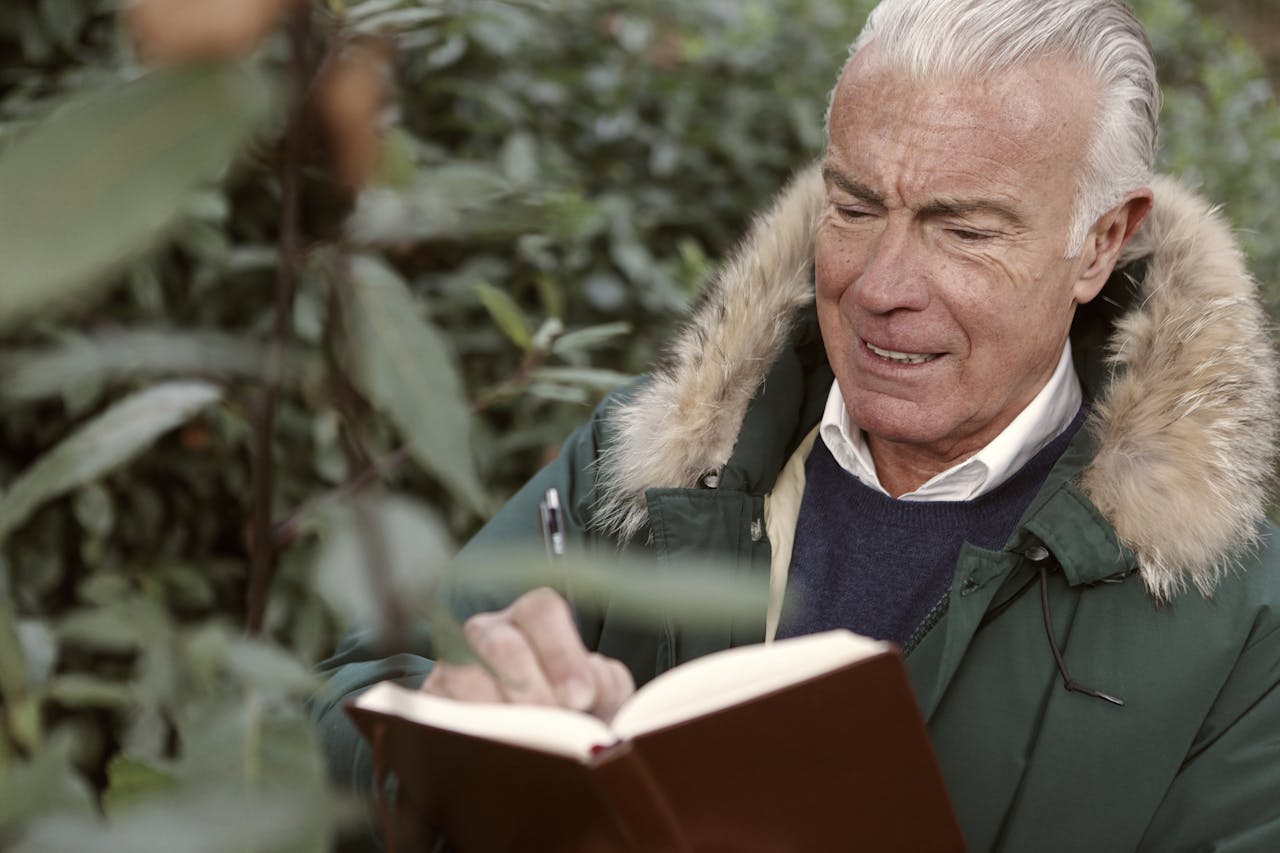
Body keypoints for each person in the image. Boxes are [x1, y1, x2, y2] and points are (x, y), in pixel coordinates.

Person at [313, 0, 1280, 849]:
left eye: (964, 231)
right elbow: (340, 714)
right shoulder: (652, 460)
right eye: (855, 206)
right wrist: (444, 747)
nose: (879, 286)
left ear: (1099, 243)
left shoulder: (1242, 625)